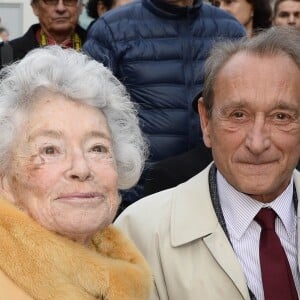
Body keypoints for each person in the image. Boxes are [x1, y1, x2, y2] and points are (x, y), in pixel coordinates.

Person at [115, 26, 300, 299]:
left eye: (281, 117)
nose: (257, 143)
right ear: (206, 121)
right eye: (238, 115)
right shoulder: (139, 233)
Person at [0, 46, 152, 299]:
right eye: (50, 150)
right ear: (5, 179)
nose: (81, 169)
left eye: (97, 148)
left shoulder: (127, 268)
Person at [83, 0, 245, 207]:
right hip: (138, 196)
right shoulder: (112, 29)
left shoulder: (228, 29)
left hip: (216, 193)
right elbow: (90, 115)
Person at [6, 0, 86, 64]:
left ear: (80, 7)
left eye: (69, 0)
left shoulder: (96, 49)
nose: (61, 8)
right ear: (35, 7)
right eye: (51, 1)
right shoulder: (7, 53)